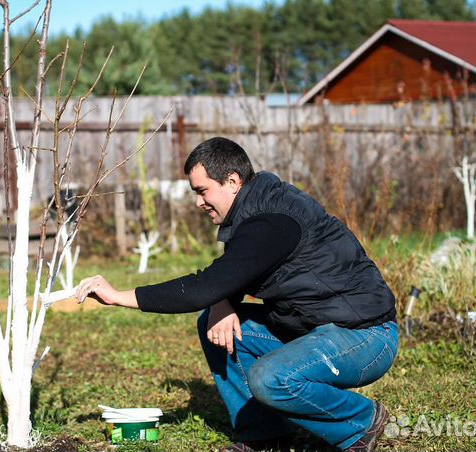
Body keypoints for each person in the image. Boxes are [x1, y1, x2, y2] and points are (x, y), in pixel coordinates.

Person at [75, 137, 398, 452]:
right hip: (315, 329)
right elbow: (232, 273)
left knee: (270, 379)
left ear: (232, 181)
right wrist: (222, 302)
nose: (198, 202)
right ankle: (265, 434)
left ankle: (361, 420)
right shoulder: (254, 207)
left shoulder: (272, 221)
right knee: (217, 325)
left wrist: (118, 295)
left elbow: (203, 287)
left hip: (364, 336)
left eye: (202, 191)